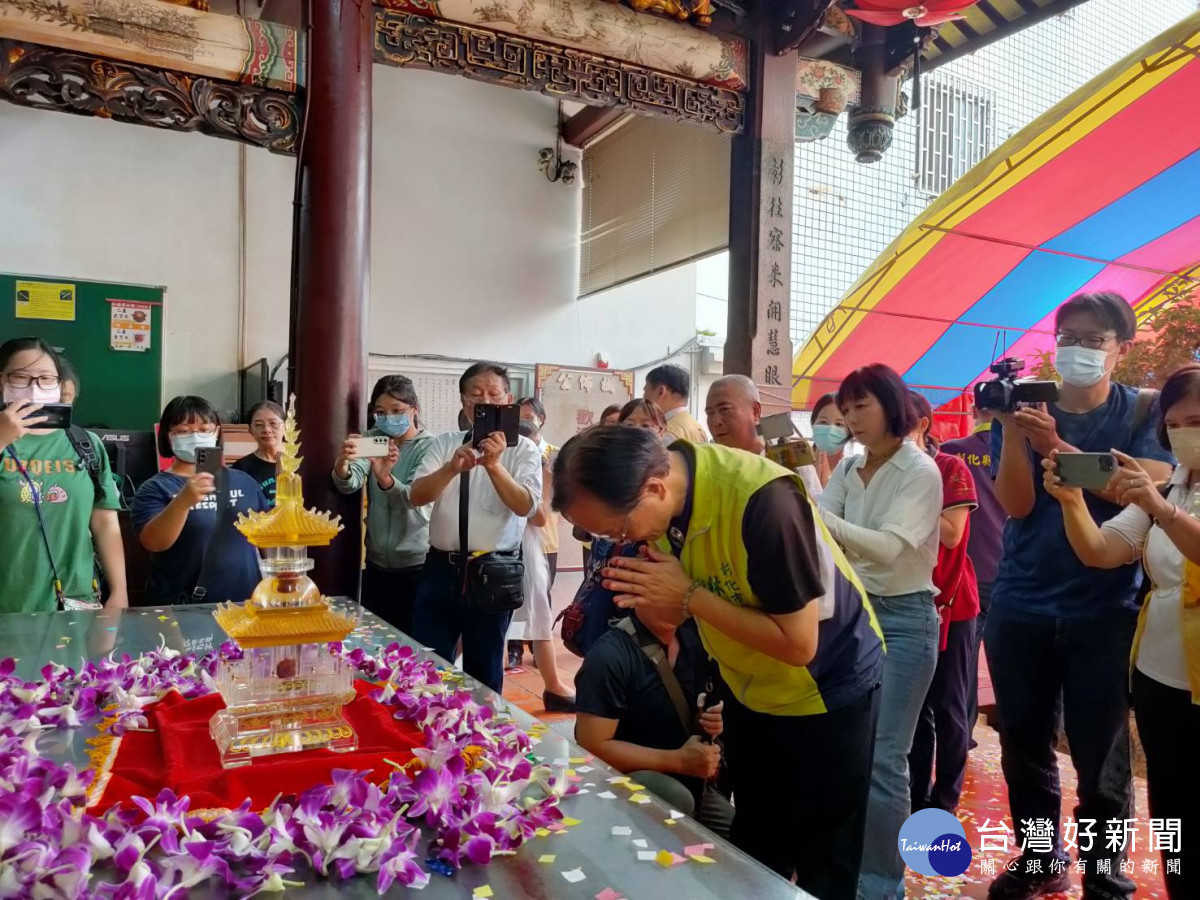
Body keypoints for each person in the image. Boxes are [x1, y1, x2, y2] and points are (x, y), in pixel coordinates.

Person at [553, 426, 883, 900]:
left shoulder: (763, 503)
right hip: (748, 687)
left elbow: (798, 644)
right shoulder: (664, 507)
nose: (621, 541)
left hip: (826, 687)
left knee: (824, 857)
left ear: (654, 488)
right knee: (758, 842)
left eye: (620, 529)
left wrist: (688, 596)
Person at [986, 292, 1173, 900]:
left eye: (1095, 339)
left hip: (1105, 608)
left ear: (1121, 349)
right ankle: (1042, 859)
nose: (1079, 348)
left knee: (1102, 755)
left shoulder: (1146, 409)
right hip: (1022, 604)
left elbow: (1139, 489)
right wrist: (1015, 433)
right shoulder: (1024, 406)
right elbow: (1015, 505)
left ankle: (1102, 868)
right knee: (1025, 745)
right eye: (1069, 335)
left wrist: (1056, 449)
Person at [1041, 364, 1200, 900]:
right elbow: (1101, 550)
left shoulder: (1163, 497)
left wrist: (1160, 508)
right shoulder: (1172, 483)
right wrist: (1071, 502)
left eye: (1197, 420)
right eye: (1175, 424)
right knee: (1172, 808)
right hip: (1160, 675)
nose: (1184, 432)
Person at [817, 364, 942, 900]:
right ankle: (844, 870)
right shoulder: (849, 469)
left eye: (860, 407)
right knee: (846, 751)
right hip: (853, 615)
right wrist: (822, 517)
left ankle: (879, 885)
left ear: (892, 407)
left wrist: (817, 515)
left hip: (905, 617)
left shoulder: (920, 470)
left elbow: (890, 547)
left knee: (885, 758)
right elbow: (830, 537)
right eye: (845, 410)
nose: (849, 419)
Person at [409, 363, 542, 692]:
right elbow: (416, 496)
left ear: (508, 400)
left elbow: (526, 505)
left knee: (484, 666)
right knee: (428, 663)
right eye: (476, 396)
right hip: (441, 568)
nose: (485, 402)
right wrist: (451, 469)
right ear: (464, 403)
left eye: (494, 395)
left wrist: (494, 466)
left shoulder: (524, 449)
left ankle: (484, 738)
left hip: (493, 572)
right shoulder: (444, 444)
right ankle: (430, 727)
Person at [574, 596, 734, 837]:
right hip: (630, 786)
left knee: (748, 849)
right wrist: (679, 761)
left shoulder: (696, 641)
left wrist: (708, 721)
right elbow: (592, 745)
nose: (674, 593)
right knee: (673, 797)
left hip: (693, 785)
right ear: (634, 594)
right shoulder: (608, 657)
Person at [0, 337, 127, 612]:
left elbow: (105, 523)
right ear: (2, 381)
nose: (35, 388)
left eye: (46, 379)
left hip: (76, 602)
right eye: (21, 377)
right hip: (9, 606)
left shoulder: (86, 444)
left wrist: (119, 591)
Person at [906, 391, 979, 815]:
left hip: (953, 602)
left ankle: (945, 800)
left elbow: (952, 533)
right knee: (915, 713)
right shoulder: (883, 473)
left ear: (922, 426)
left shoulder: (950, 467)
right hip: (907, 603)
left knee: (949, 709)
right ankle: (915, 796)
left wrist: (903, 505)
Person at [132, 396, 268, 605]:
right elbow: (153, 543)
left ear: (217, 432)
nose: (196, 436)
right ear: (168, 436)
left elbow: (266, 539)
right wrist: (183, 502)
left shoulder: (244, 481)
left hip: (245, 603)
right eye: (184, 431)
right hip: (186, 605)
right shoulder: (156, 487)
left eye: (204, 429)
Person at [333, 375, 436, 636]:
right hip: (377, 564)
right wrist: (342, 463)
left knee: (413, 644)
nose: (389, 418)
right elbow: (350, 482)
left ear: (415, 409)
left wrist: (384, 477)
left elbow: (413, 498)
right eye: (381, 412)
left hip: (417, 564)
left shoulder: (430, 447)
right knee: (376, 642)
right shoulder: (373, 440)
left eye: (397, 411)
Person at [941, 407, 1005, 742]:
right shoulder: (1022, 454)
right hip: (1011, 570)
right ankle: (1017, 738)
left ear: (976, 409)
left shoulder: (952, 453)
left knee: (963, 660)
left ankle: (961, 736)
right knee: (1008, 664)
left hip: (969, 572)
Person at [507, 419, 576, 711]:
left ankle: (554, 685)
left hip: (528, 549)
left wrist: (546, 486)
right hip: (508, 550)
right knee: (496, 618)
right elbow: (536, 515)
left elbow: (541, 516)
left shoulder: (539, 467)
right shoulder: (503, 467)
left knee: (538, 616)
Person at [705, 374, 824, 499]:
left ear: (755, 411)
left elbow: (814, 513)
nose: (715, 421)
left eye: (725, 409)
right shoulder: (707, 462)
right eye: (710, 413)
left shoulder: (791, 458)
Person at [233, 400, 284, 506]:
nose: (267, 429)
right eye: (259, 425)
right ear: (250, 430)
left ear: (286, 427)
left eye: (273, 423)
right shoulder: (240, 469)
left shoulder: (298, 463)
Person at [643, 364, 707, 443]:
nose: (643, 399)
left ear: (661, 392)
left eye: (645, 392)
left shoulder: (666, 436)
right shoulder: (698, 428)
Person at [810, 392, 851, 488]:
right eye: (823, 422)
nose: (830, 430)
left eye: (839, 424)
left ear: (851, 432)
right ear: (813, 424)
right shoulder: (796, 469)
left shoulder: (854, 473)